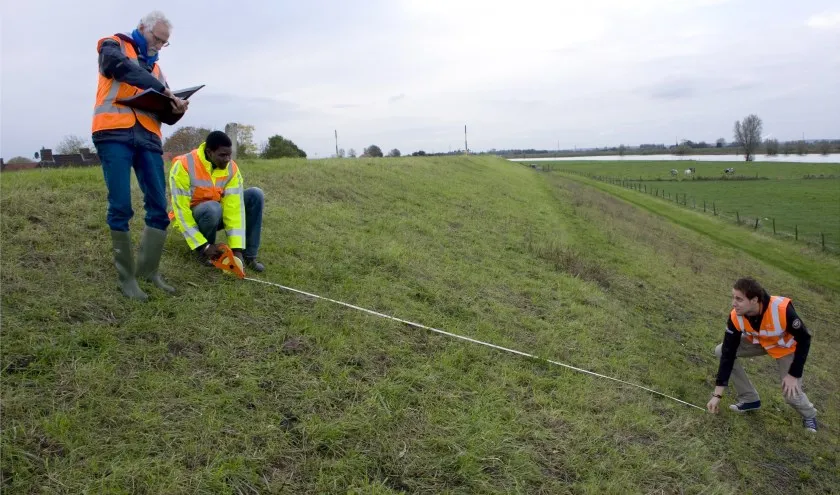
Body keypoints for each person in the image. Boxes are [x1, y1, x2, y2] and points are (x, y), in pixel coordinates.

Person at [92, 10, 189, 301]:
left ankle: (149, 271)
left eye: (164, 43)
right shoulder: (113, 44)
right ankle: (127, 278)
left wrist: (176, 110)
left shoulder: (157, 70)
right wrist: (161, 89)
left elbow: (163, 115)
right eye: (156, 39)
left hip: (148, 138)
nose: (159, 46)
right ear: (142, 29)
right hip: (113, 133)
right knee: (121, 205)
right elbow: (116, 67)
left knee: (159, 207)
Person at [706, 277, 818, 433]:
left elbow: (805, 339)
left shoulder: (781, 310)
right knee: (721, 350)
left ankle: (809, 414)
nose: (733, 303)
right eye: (733, 297)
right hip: (761, 342)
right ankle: (750, 398)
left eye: (739, 299)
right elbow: (728, 353)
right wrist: (717, 395)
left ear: (754, 300)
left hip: (786, 348)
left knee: (791, 396)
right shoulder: (735, 316)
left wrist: (793, 374)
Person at [168, 131, 265, 272]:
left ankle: (248, 255)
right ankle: (205, 253)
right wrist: (203, 245)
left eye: (229, 155)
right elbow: (181, 211)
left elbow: (234, 208)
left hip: (216, 213)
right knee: (212, 208)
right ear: (209, 152)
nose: (227, 159)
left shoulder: (232, 168)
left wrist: (236, 250)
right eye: (222, 155)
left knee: (255, 195)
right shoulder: (184, 165)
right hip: (197, 216)